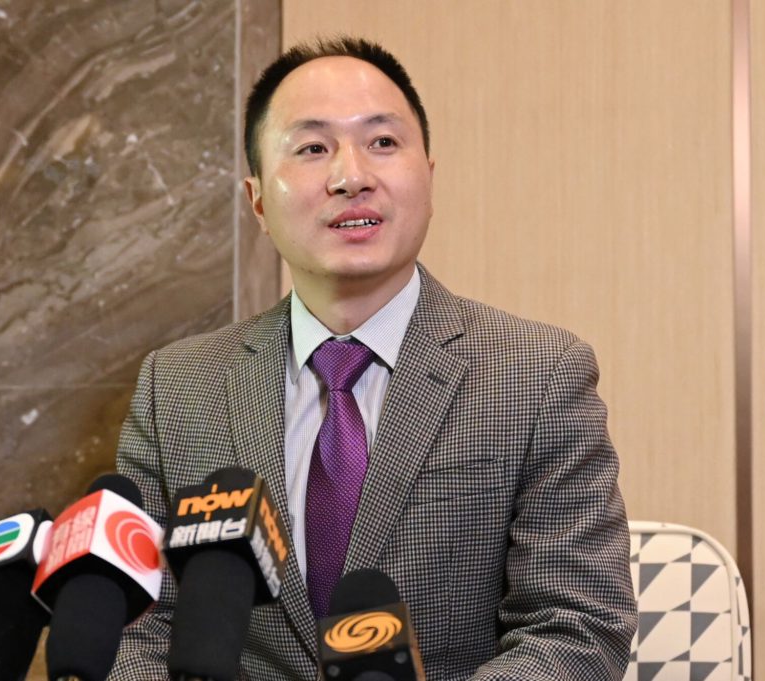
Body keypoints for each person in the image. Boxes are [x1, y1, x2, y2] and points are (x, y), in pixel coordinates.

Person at [109, 37, 637, 680]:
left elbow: (577, 628)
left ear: (429, 177)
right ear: (258, 201)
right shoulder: (177, 387)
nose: (351, 176)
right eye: (312, 148)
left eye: (382, 142)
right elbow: (137, 627)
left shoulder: (537, 374)